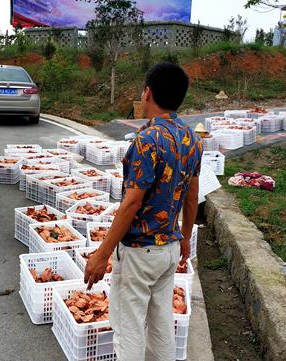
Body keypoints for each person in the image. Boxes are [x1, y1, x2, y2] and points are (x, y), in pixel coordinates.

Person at [84, 63, 202, 361]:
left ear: (147, 93)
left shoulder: (147, 140)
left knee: (129, 327)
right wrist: (185, 238)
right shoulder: (192, 140)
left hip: (139, 252)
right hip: (170, 249)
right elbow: (192, 196)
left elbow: (132, 203)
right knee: (161, 322)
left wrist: (101, 254)